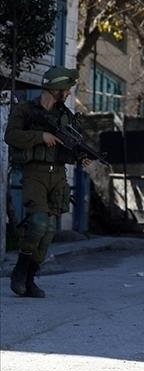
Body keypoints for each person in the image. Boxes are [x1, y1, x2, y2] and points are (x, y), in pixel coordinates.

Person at [4, 66, 88, 298]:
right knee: (39, 223)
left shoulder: (66, 116)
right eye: (66, 89)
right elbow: (11, 136)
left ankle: (30, 279)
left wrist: (81, 157)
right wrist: (40, 136)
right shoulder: (25, 110)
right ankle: (20, 272)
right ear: (55, 88)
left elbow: (71, 148)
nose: (68, 93)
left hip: (58, 176)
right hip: (35, 173)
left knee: (49, 231)